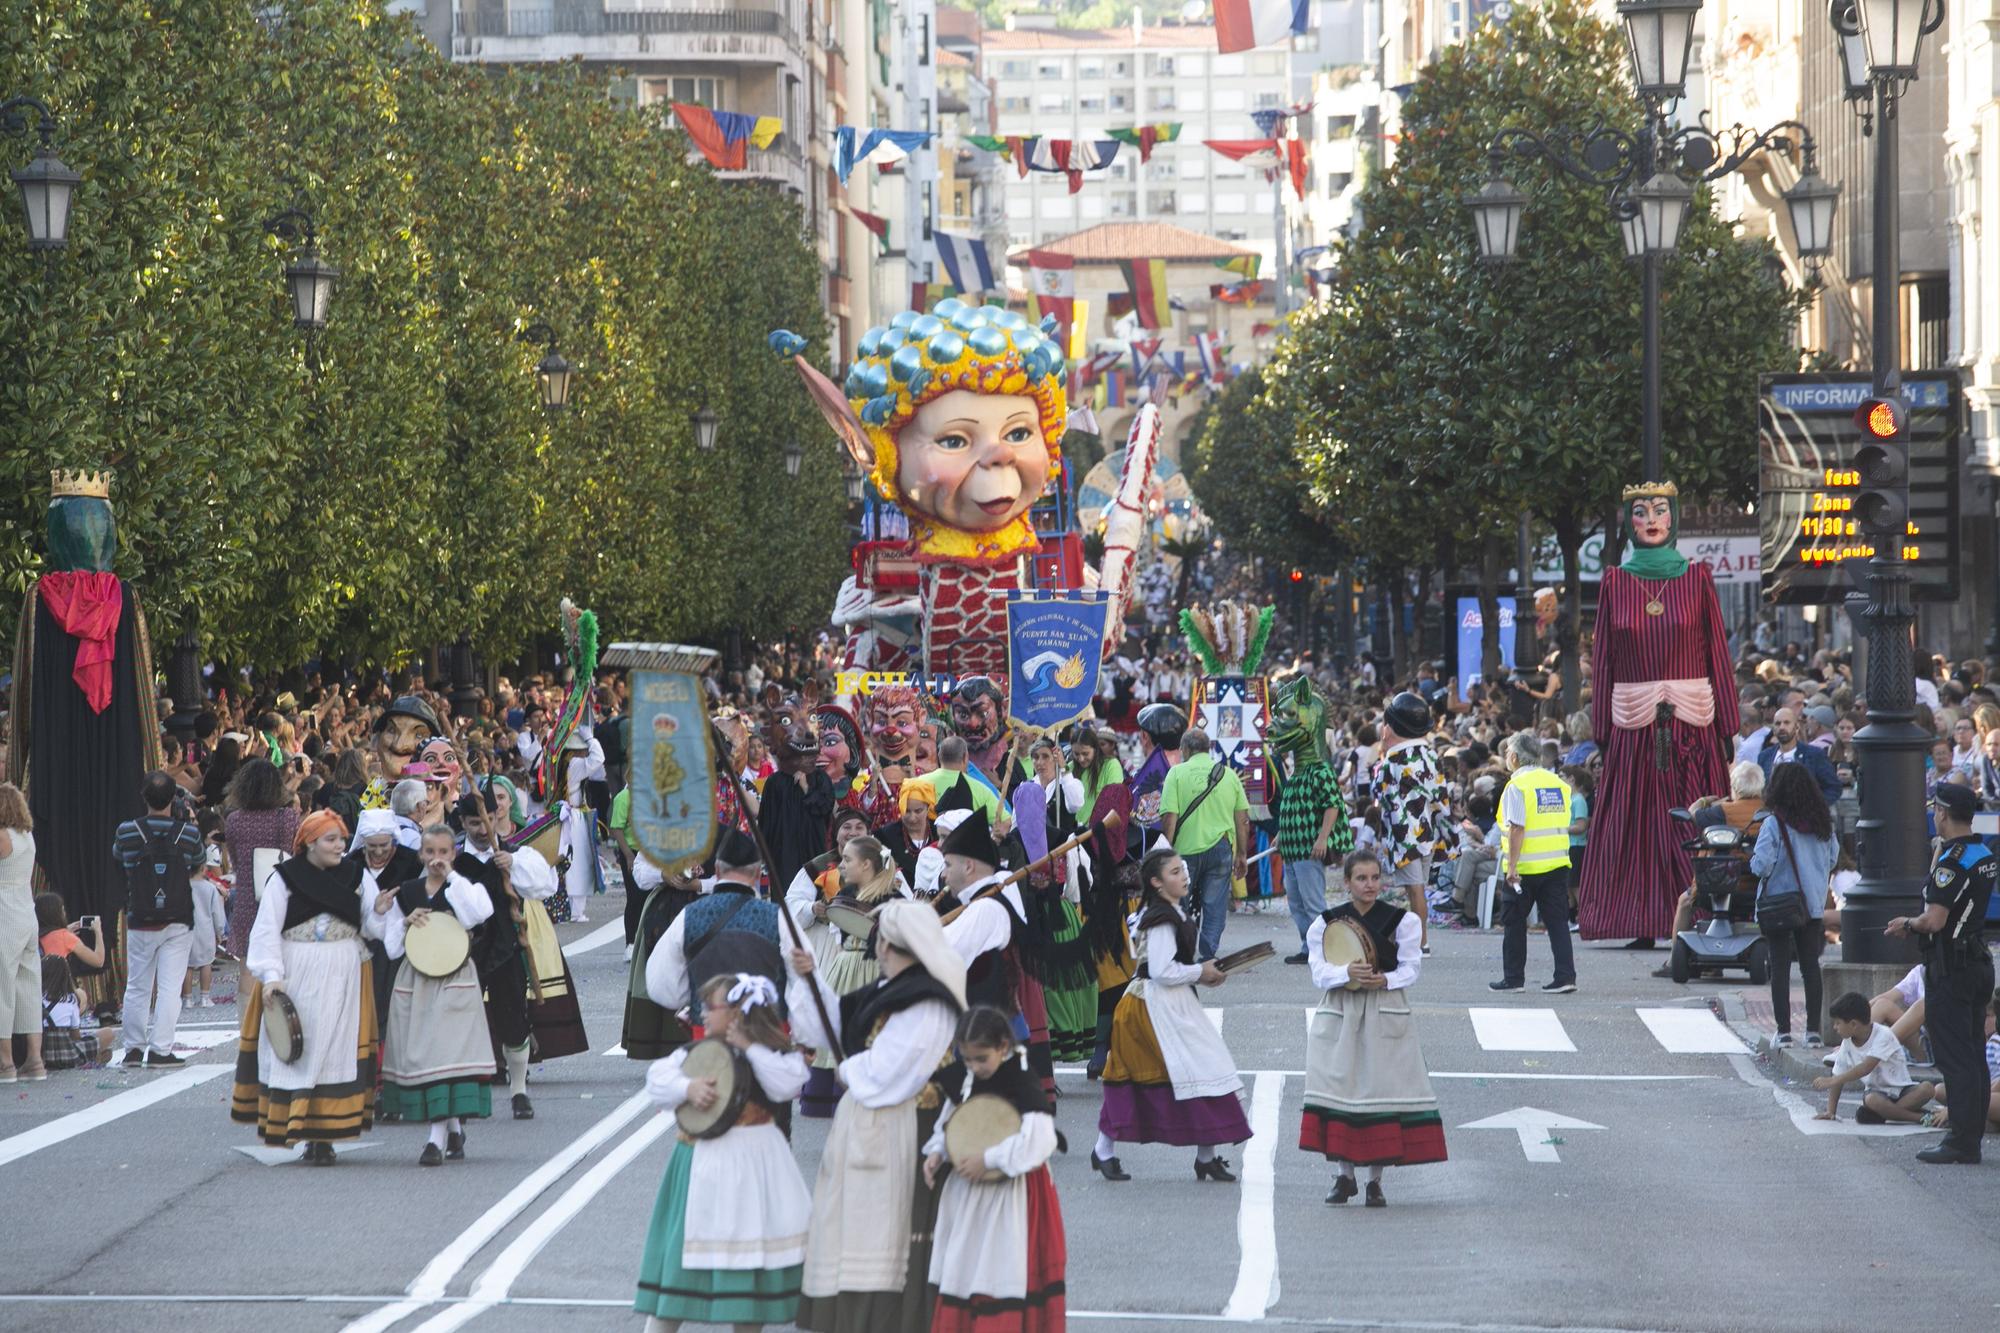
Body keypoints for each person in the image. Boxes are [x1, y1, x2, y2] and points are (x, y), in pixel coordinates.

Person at [786, 900, 967, 1333]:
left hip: (901, 1131)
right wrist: (808, 977)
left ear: (890, 944)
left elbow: (889, 1074)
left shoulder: (928, 1000)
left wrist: (848, 1070)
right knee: (859, 1233)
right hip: (870, 1130)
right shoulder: (888, 989)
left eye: (879, 939)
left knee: (884, 1239)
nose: (875, 948)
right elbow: (829, 1025)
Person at [1577, 481, 1738, 946]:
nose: (1650, 519)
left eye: (1660, 510)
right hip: (1634, 728)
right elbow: (1604, 658)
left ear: (1674, 519)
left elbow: (1716, 653)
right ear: (1628, 520)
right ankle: (1642, 921)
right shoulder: (1614, 582)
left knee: (1695, 819)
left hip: (1692, 723)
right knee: (1638, 827)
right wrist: (1602, 731)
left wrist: (1728, 723)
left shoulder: (1697, 576)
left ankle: (1706, 912)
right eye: (1641, 511)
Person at [632, 972, 812, 1333]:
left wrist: (751, 1048)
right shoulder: (696, 1052)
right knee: (679, 1269)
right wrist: (687, 1087)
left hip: (753, 1166)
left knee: (748, 1276)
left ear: (735, 1014)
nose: (702, 1014)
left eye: (710, 1007)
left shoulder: (772, 1054)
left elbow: (787, 1084)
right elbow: (657, 1081)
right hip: (701, 1165)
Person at [1093, 845, 1252, 1183]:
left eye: (1183, 870)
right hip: (1148, 1008)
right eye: (1175, 872)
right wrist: (1201, 972)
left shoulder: (1171, 911)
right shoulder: (1161, 918)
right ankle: (1103, 1149)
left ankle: (1205, 1156)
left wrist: (1204, 974)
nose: (1184, 876)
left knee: (1202, 1069)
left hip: (1170, 1003)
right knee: (1138, 1079)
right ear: (1156, 883)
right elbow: (1163, 971)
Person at [1302, 849, 1448, 1206]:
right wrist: (1345, 974)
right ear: (1347, 882)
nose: (1370, 885)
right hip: (1342, 1008)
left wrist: (1384, 980)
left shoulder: (1403, 921)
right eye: (1361, 878)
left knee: (1382, 1090)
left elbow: (1412, 968)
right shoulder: (1326, 922)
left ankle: (1375, 1181)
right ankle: (1344, 1176)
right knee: (1343, 1087)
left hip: (1385, 1008)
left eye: (1374, 878)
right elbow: (1318, 971)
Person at [231, 809, 377, 1162]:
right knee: (302, 1047)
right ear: (310, 843)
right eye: (331, 839)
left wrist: (385, 912)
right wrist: (272, 976)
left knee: (334, 1049)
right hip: (299, 970)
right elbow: (266, 929)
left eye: (342, 838)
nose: (340, 845)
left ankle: (324, 1136)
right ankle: (301, 1129)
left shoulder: (357, 875)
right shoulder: (284, 879)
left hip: (343, 970)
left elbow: (373, 924)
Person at [923, 1006, 1066, 1333]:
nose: (973, 1066)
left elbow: (1041, 1139)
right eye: (967, 1058)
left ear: (1003, 1046)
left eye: (981, 1058)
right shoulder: (965, 1078)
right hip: (969, 1191)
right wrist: (937, 1153)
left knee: (1000, 1266)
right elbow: (951, 1123)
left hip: (1012, 1191)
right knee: (967, 1264)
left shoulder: (1022, 1079)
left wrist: (988, 1159)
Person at [1886, 782, 1998, 1163]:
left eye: (1935, 809)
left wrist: (1908, 922)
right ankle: (1970, 1136)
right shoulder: (1982, 852)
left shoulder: (1953, 862)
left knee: (1955, 1058)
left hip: (1952, 966)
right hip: (1978, 962)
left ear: (1943, 814)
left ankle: (1961, 1142)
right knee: (1974, 1054)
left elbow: (1934, 920)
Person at [372, 824, 497, 1165]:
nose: (437, 859)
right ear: (420, 854)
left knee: (447, 1055)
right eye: (430, 852)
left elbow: (479, 914)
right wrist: (404, 921)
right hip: (419, 981)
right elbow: (393, 948)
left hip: (455, 977)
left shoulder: (463, 888)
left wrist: (454, 878)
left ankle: (435, 1139)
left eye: (444, 852)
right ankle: (453, 1129)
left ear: (453, 854)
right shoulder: (408, 891)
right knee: (429, 1057)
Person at [111, 771, 206, 1068]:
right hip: (178, 918)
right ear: (173, 799)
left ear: (144, 797)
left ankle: (133, 1049)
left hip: (140, 917)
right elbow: (197, 863)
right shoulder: (188, 834)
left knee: (138, 985)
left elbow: (118, 857)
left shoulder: (127, 832)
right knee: (169, 986)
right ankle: (161, 1050)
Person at [1747, 764, 1837, 1049]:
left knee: (1780, 966)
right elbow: (1832, 859)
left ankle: (1784, 1032)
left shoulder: (1774, 823)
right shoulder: (1823, 823)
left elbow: (1761, 865)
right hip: (1811, 904)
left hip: (1779, 903)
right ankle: (1812, 1031)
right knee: (1811, 966)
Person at [1271, 679, 1350, 964]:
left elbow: (1332, 805)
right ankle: (1309, 946)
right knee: (1296, 902)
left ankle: (1320, 949)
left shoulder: (1320, 770)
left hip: (1307, 848)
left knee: (1313, 901)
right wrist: (1282, 833)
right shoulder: (1301, 772)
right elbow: (1295, 805)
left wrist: (1322, 837)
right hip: (1293, 847)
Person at [1157, 729, 1250, 963]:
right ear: (1208, 749)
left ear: (1185, 749)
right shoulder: (1229, 776)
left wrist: (1165, 852)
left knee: (1180, 902)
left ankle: (1184, 952)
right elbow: (1243, 820)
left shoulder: (1176, 774)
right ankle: (1208, 955)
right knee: (1214, 904)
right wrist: (1241, 854)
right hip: (1220, 849)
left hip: (1184, 852)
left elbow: (1170, 816)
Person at [1813, 992, 1936, 1124]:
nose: (1835, 1027)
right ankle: (1920, 1117)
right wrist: (1831, 1111)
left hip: (1902, 1092)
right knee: (1872, 1099)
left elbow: (1866, 1067)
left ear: (1853, 1024)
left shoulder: (1883, 1035)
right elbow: (1838, 1071)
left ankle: (1883, 1115)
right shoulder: (1847, 1042)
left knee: (1927, 1088)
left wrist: (1832, 1080)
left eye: (1838, 1023)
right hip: (1878, 1094)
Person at [0, 783, 40, 1081]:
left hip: (5, 912)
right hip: (27, 911)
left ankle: (6, 1063)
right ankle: (34, 1060)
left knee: (3, 987)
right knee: (28, 985)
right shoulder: (27, 837)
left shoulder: (2, 837)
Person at [1756, 708, 1842, 809]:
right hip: (1772, 817)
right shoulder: (1764, 756)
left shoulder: (1814, 755)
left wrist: (1814, 807)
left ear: (1796, 727)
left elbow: (1833, 787)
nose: (1782, 727)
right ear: (1773, 729)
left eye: (1787, 723)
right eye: (1778, 724)